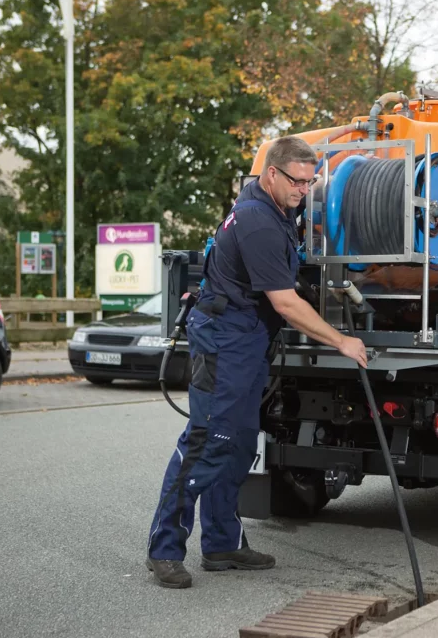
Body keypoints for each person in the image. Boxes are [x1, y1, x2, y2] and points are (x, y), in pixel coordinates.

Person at [145, 136, 368, 589]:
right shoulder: (257, 223)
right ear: (271, 173)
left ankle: (223, 544)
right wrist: (341, 341)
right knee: (207, 444)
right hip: (226, 346)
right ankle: (164, 548)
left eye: (310, 183)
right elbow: (285, 303)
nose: (304, 190)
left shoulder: (272, 206)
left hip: (246, 346)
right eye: (297, 181)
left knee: (241, 445)